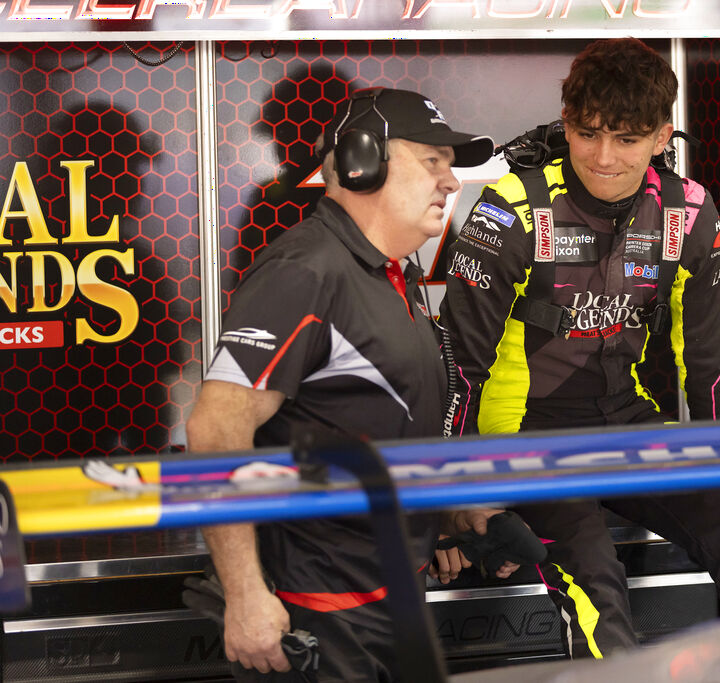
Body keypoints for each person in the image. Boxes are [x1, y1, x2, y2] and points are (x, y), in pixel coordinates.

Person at [439, 38, 720, 660]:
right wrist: (450, 494)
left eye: (627, 139)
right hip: (521, 434)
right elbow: (456, 365)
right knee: (595, 573)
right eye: (588, 134)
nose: (603, 157)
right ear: (566, 123)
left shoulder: (687, 211)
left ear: (661, 137)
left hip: (625, 420)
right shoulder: (516, 207)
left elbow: (710, 363)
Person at [185, 87, 507, 681]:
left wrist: (449, 516)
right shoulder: (306, 271)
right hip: (318, 618)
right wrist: (246, 594)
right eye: (432, 161)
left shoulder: (392, 274)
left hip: (392, 601)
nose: (451, 182)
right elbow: (214, 430)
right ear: (363, 162)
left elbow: (366, 422)